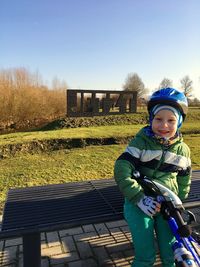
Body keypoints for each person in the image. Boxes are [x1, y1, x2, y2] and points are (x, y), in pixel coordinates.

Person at [114, 87, 191, 267]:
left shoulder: (183, 150)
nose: (164, 126)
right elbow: (121, 168)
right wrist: (138, 197)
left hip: (167, 205)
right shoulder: (140, 143)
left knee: (171, 252)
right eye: (158, 119)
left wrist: (179, 199)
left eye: (171, 120)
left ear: (179, 122)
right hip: (139, 202)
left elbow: (184, 177)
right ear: (151, 119)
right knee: (145, 255)